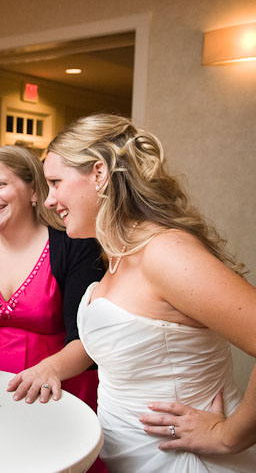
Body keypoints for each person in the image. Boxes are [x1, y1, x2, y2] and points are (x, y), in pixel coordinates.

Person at [42, 113, 256, 472]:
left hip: (183, 460)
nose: (49, 200)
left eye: (56, 182)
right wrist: (48, 368)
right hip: (126, 456)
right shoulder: (115, 254)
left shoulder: (164, 252)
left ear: (98, 174)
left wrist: (229, 435)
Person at [0, 146, 104, 415]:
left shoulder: (73, 245)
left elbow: (86, 338)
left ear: (34, 190)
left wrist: (49, 369)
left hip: (55, 391)